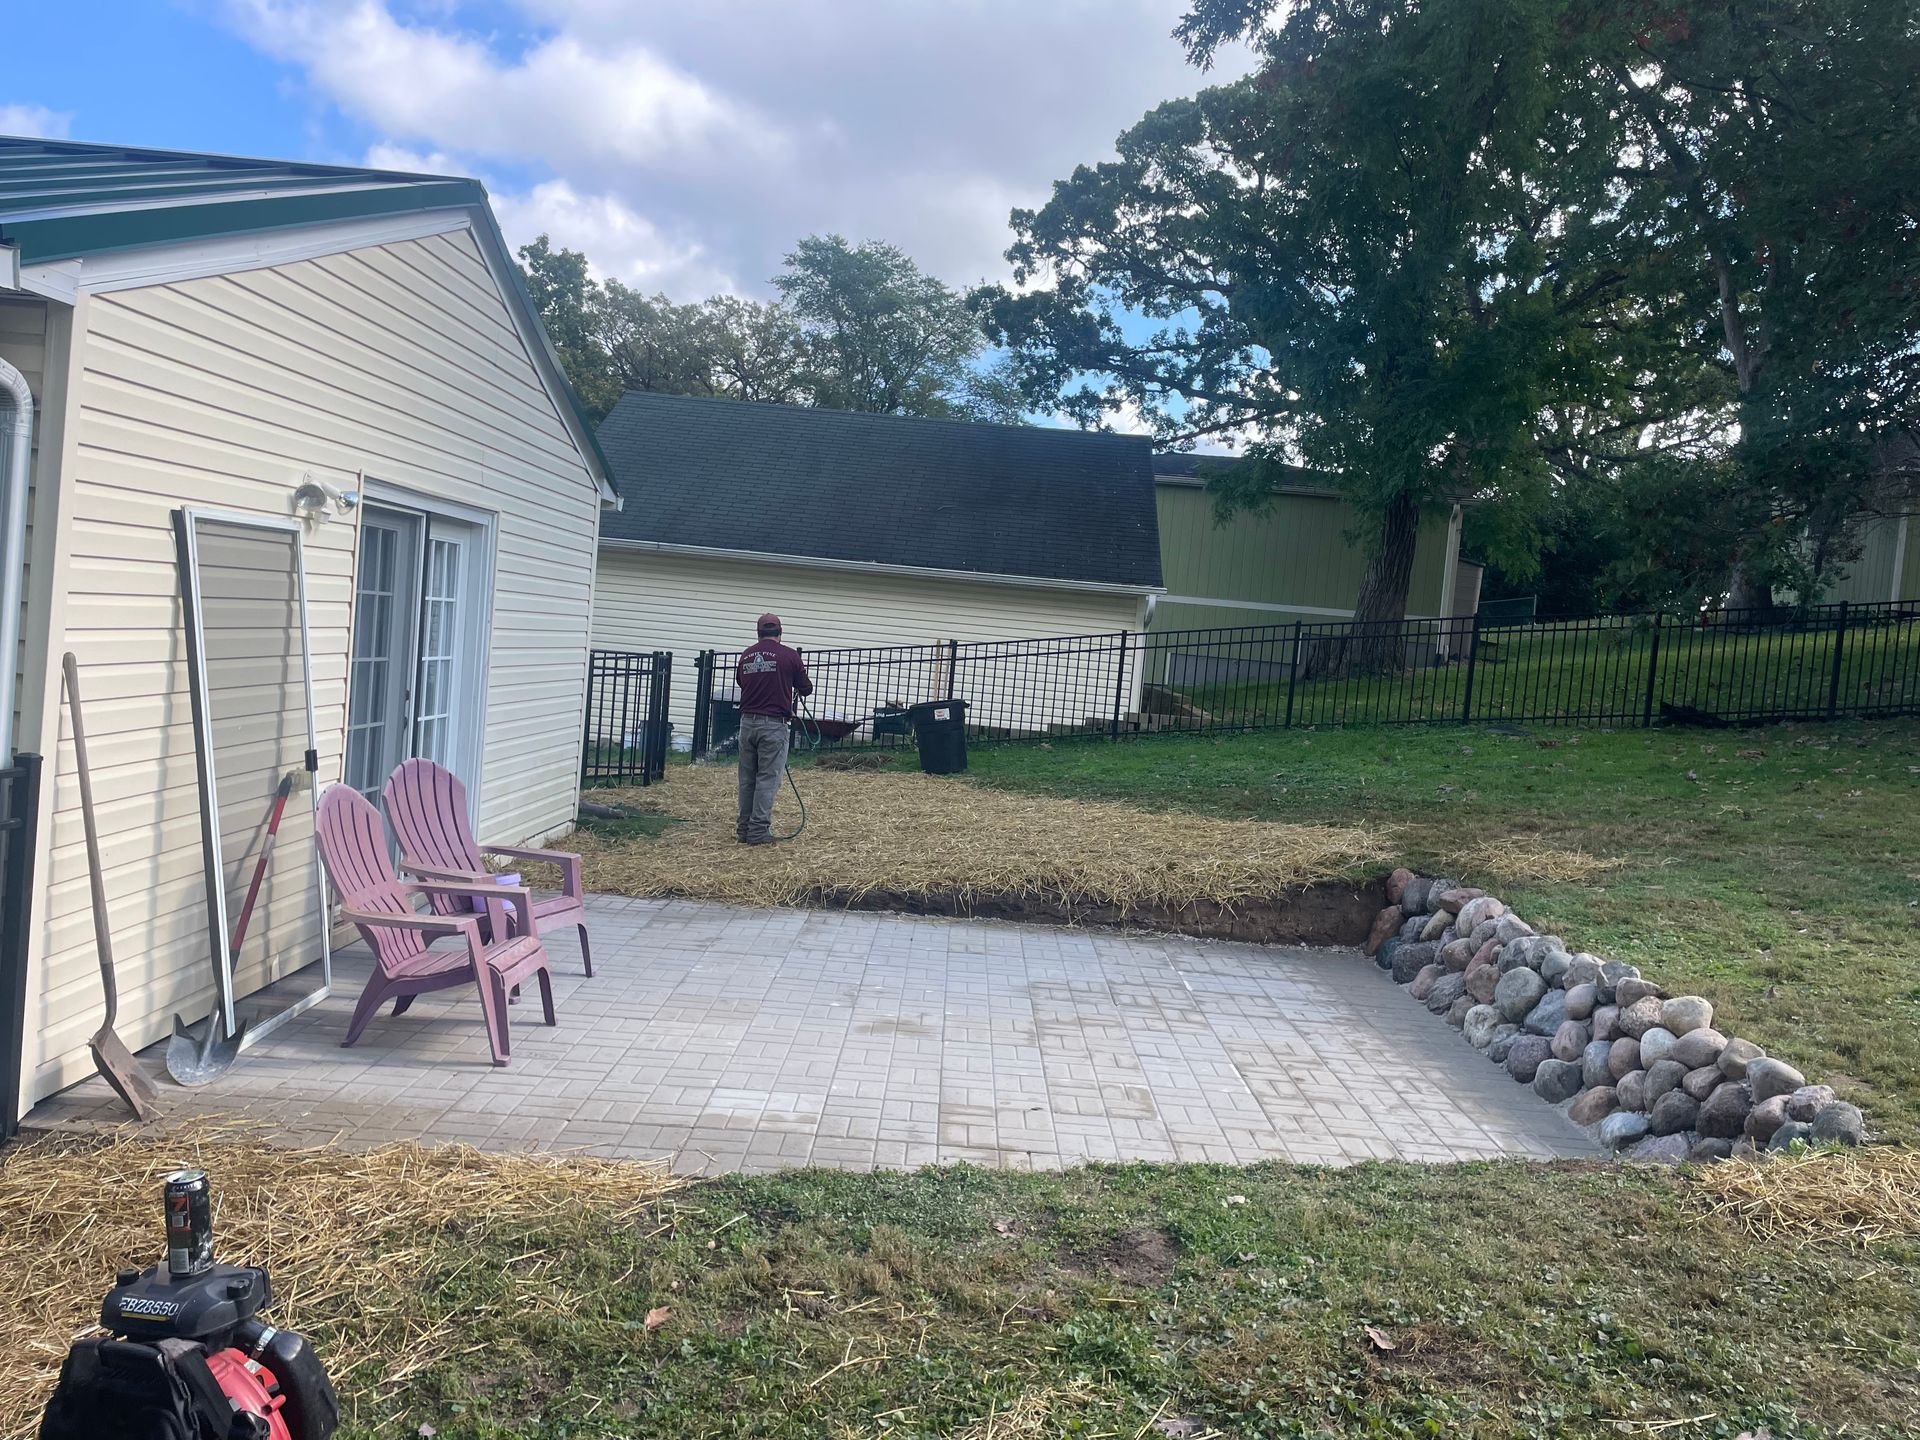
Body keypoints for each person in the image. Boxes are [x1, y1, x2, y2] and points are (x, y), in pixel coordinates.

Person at [735, 612, 813, 845]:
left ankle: (744, 828)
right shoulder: (789, 656)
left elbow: (741, 682)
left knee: (747, 778)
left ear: (758, 632)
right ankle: (758, 830)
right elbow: (806, 688)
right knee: (767, 778)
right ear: (780, 632)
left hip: (747, 724)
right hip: (773, 726)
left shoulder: (746, 655)